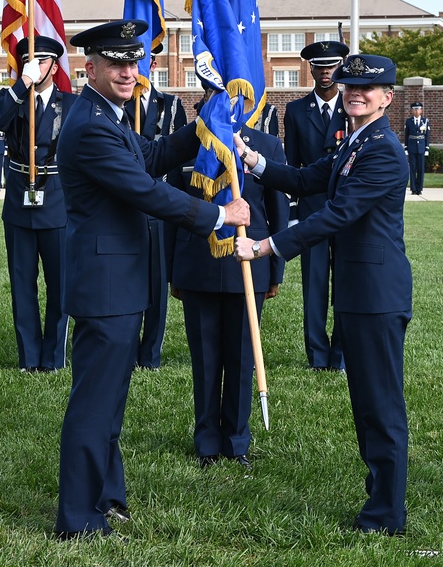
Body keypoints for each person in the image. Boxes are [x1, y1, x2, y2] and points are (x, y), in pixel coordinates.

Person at [53, 19, 249, 540]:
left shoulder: (108, 116)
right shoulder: (91, 125)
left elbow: (155, 156)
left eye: (133, 62)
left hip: (118, 282)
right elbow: (146, 190)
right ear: (88, 67)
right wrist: (217, 217)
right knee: (95, 405)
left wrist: (206, 121)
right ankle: (77, 519)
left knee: (108, 401)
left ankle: (104, 498)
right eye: (115, 62)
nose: (127, 71)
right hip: (106, 285)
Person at [233, 53, 412, 537]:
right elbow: (307, 178)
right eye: (350, 84)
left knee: (381, 406)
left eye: (367, 89)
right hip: (358, 292)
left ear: (387, 98)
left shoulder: (383, 150)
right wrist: (254, 160)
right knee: (366, 404)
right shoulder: (355, 141)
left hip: (377, 294)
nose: (355, 92)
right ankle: (379, 500)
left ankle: (386, 515)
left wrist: (267, 245)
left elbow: (337, 214)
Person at [168, 85, 288, 469]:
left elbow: (277, 211)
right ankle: (206, 441)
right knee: (204, 359)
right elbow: (171, 209)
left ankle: (236, 440)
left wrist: (276, 271)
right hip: (198, 264)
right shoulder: (187, 144)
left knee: (240, 358)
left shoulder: (265, 146)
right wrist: (174, 269)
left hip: (248, 265)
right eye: (214, 95)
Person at [0, 35, 76, 373]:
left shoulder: (70, 104)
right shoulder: (12, 100)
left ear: (54, 65)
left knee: (59, 283)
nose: (36, 67)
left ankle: (53, 357)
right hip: (19, 200)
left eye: (41, 61)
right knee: (22, 282)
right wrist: (23, 83)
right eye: (29, 61)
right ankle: (29, 356)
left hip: (56, 197)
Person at [283, 39, 349, 371]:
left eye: (332, 66)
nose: (326, 73)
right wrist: (294, 213)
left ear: (341, 67)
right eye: (319, 67)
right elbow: (293, 166)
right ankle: (317, 354)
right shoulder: (295, 111)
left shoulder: (353, 107)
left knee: (346, 285)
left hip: (347, 209)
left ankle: (340, 354)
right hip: (311, 209)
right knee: (314, 284)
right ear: (310, 69)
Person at [124, 42, 188, 370]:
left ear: (153, 61)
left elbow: (176, 159)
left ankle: (150, 354)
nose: (137, 66)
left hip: (161, 199)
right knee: (129, 277)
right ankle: (127, 347)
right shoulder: (117, 105)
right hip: (125, 202)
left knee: (158, 281)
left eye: (143, 59)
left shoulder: (171, 104)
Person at [403, 102, 430, 195]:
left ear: (421, 110)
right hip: (412, 147)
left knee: (421, 169)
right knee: (413, 168)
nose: (416, 111)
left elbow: (427, 135)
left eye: (418, 109)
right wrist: (406, 147)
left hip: (421, 147)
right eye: (414, 109)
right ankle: (413, 188)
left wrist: (427, 148)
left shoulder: (425, 121)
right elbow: (406, 135)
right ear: (412, 111)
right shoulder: (409, 121)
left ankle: (420, 188)